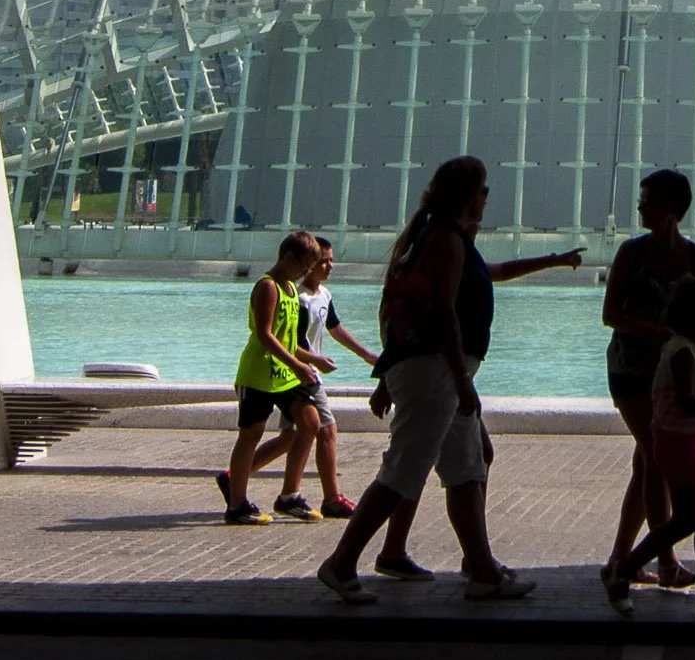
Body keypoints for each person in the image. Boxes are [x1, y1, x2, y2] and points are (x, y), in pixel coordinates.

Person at [315, 156, 583, 605]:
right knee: (404, 470)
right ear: (467, 195)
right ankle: (341, 563)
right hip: (436, 371)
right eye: (484, 190)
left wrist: (552, 261)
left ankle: (482, 572)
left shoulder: (438, 237)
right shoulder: (445, 240)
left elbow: (489, 275)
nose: (487, 198)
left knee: (466, 467)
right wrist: (460, 377)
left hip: (434, 370)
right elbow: (441, 311)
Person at [604, 278, 695, 619]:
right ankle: (623, 569)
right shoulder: (682, 351)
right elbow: (684, 400)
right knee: (686, 519)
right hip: (678, 443)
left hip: (694, 441)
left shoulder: (688, 348)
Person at [602, 168, 695, 589]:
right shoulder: (632, 253)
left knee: (646, 462)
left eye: (647, 200)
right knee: (654, 455)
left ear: (671, 207)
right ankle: (665, 561)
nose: (639, 207)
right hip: (630, 369)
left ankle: (620, 558)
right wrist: (660, 334)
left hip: (668, 374)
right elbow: (610, 314)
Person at [242, 236, 378, 522]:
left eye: (330, 261)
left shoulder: (320, 295)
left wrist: (366, 355)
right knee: (323, 429)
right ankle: (330, 498)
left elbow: (335, 329)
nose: (328, 266)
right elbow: (280, 338)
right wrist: (310, 361)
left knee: (293, 435)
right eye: (321, 262)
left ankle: (242, 479)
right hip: (297, 373)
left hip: (297, 372)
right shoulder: (291, 294)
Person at [219, 229, 325, 525]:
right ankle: (237, 504)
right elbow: (265, 335)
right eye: (303, 266)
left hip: (285, 375)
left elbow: (287, 340)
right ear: (287, 257)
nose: (305, 273)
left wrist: (311, 360)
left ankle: (290, 495)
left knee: (310, 423)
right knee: (251, 434)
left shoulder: (291, 289)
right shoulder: (268, 287)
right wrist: (297, 364)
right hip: (258, 374)